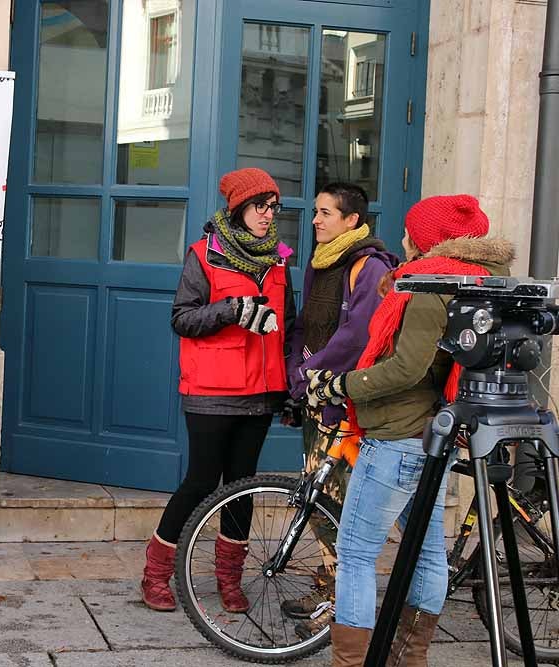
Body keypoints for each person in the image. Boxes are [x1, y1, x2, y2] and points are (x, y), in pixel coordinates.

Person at [304, 195, 514, 666]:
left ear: (426, 240)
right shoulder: (476, 282)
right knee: (426, 553)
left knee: (356, 554)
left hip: (398, 436)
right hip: (433, 434)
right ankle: (407, 657)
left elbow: (407, 368)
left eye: (409, 232)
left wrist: (341, 385)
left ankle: (350, 662)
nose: (402, 239)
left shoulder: (429, 286)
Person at [141, 167, 295, 613]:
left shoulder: (279, 258)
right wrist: (230, 310)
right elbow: (182, 318)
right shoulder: (204, 254)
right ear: (239, 207)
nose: (267, 215)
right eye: (259, 206)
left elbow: (287, 327)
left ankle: (229, 579)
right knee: (201, 481)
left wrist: (289, 386)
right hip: (212, 389)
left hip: (262, 392)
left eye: (273, 207)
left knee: (242, 486)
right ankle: (155, 574)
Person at [279, 182, 398, 637]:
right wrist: (298, 372)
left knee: (336, 502)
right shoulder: (320, 260)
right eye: (315, 211)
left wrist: (310, 372)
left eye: (326, 213)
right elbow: (306, 325)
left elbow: (357, 337)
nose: (315, 220)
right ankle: (329, 587)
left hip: (344, 405)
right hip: (315, 396)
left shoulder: (369, 267)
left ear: (352, 220)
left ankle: (338, 601)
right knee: (318, 495)